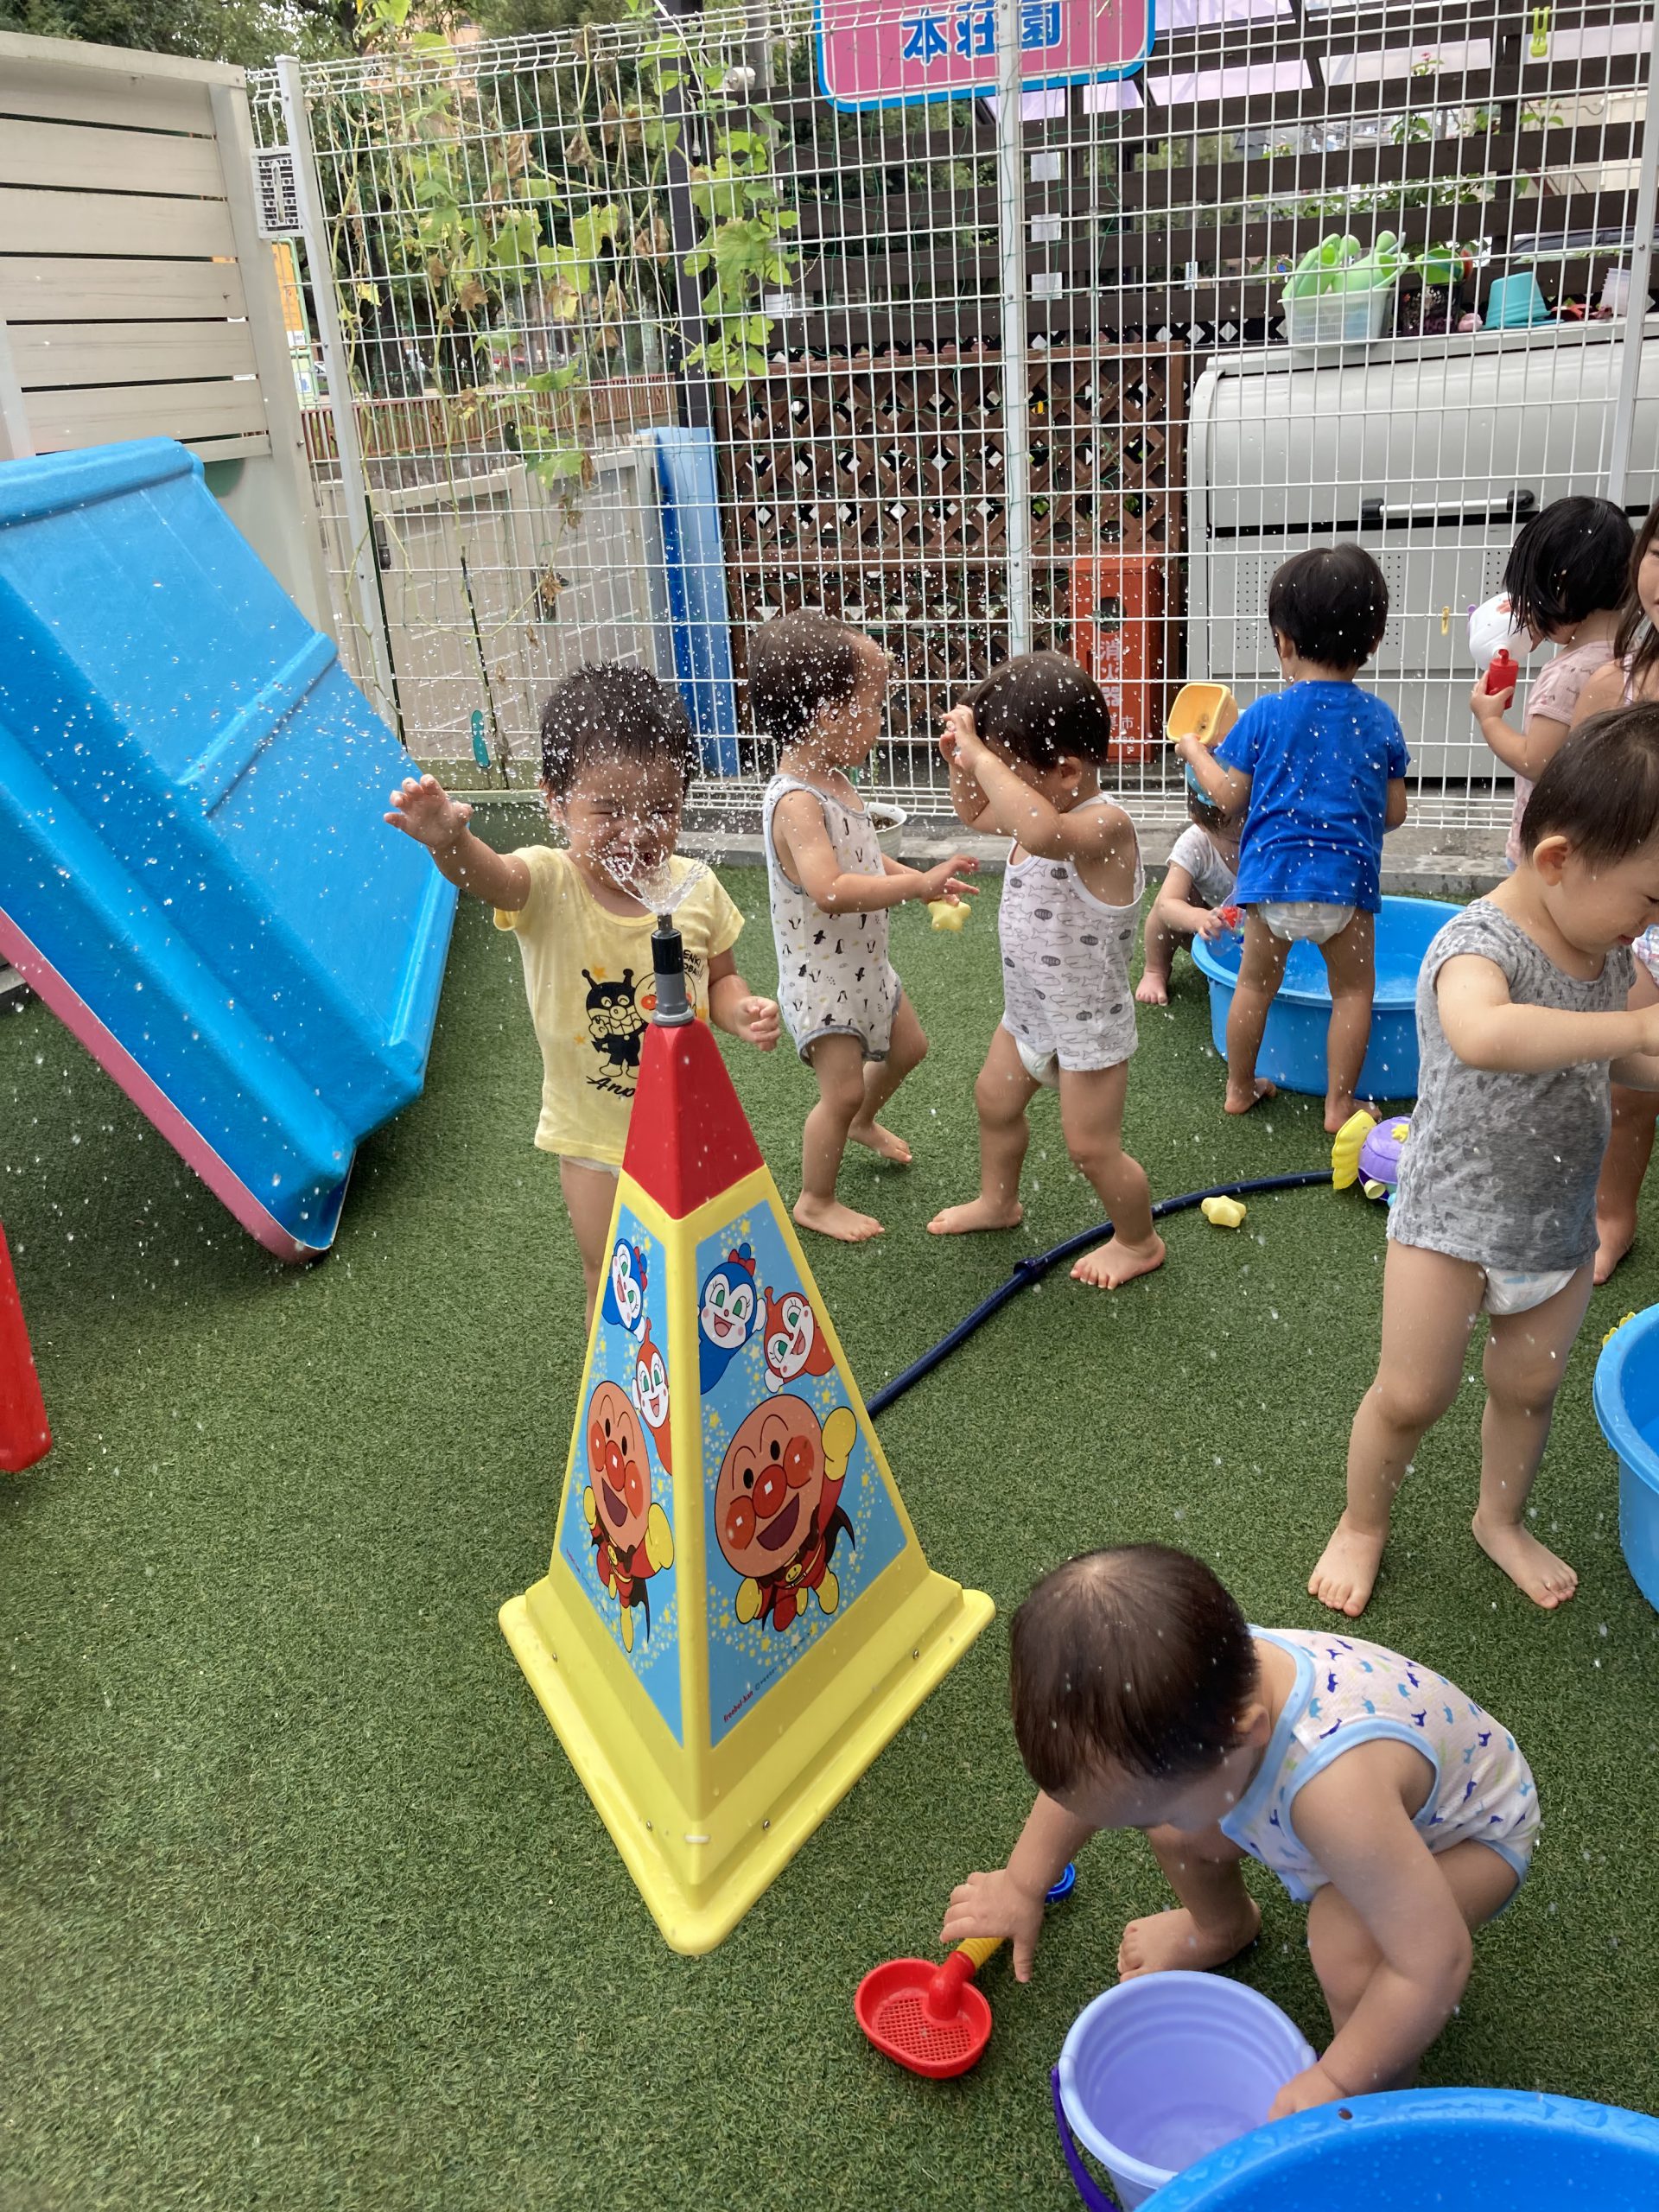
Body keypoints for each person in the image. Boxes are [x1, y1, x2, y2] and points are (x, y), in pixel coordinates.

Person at [944, 1547, 1537, 2118]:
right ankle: (1222, 1928)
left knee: (1344, 1938)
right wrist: (1022, 1884)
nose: (1144, 1827)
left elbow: (1434, 1961)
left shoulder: (1333, 1792)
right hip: (1356, 1819)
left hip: (1468, 1839)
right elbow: (1089, 1779)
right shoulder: (1189, 1691)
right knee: (1183, 1831)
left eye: (1148, 1812)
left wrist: (1339, 2079)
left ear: (1247, 1736)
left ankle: (1379, 2103)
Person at [1311, 709, 1659, 1619]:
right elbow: (1486, 1034)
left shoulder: (1606, 951)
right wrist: (1633, 1025)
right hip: (1451, 1222)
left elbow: (1617, 1056)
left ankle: (1498, 1519)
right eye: (1651, 899)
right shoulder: (1478, 947)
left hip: (1554, 1222)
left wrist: (1639, 1042)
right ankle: (1362, 1521)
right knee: (1411, 1394)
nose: (1650, 925)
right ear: (1558, 860)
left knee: (1530, 1388)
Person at [385, 662, 779, 1325]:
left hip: (687, 1124)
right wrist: (451, 844)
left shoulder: (697, 888)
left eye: (662, 809)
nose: (638, 831)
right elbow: (488, 877)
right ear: (556, 801)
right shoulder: (548, 882)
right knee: (611, 1269)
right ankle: (618, 1367)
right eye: (609, 811)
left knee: (702, 1258)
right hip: (595, 1141)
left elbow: (721, 977)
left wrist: (741, 1010)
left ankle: (696, 1354)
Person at [928, 652, 1163, 1290]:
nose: (996, 781)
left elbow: (1039, 833)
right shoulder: (1038, 809)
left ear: (1067, 771)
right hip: (1030, 1015)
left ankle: (1138, 1241)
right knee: (994, 1102)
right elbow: (978, 814)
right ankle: (998, 1201)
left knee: (1092, 1148)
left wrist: (981, 758)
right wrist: (964, 768)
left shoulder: (1103, 825)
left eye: (1007, 768)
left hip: (1088, 1030)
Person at [752, 612, 977, 1243]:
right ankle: (815, 1199)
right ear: (828, 714)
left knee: (910, 1048)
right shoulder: (797, 801)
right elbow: (830, 889)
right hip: (822, 979)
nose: (881, 719)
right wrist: (916, 887)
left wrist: (921, 878)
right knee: (841, 1091)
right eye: (874, 705)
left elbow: (864, 859)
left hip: (864, 965)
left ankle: (859, 1123)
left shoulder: (835, 782)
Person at [1175, 546, 1409, 1130]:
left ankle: (1239, 1086)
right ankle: (1339, 1104)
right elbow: (1394, 813)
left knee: (1255, 984)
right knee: (1352, 992)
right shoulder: (1379, 720)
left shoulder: (1265, 715)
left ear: (1283, 642)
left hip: (1272, 882)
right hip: (1345, 887)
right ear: (1374, 640)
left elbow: (1226, 799)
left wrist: (1195, 751)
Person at [1571, 499, 1659, 1280]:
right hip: (1638, 918)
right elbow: (1576, 800)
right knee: (1624, 1075)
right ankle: (1611, 1209)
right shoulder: (1615, 683)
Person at [1468, 495, 1631, 873]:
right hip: (1600, 844)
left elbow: (1536, 761)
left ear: (1561, 586)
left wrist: (1489, 720)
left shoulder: (1568, 674)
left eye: (1535, 593)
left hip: (1544, 850)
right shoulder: (1631, 655)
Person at [1135, 786, 1244, 1007]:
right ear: (1200, 823)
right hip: (1208, 931)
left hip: (1252, 929)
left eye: (1254, 835)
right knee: (1169, 905)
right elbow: (1167, 905)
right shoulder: (1195, 844)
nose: (1246, 846)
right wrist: (1198, 918)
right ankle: (1156, 970)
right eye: (1235, 842)